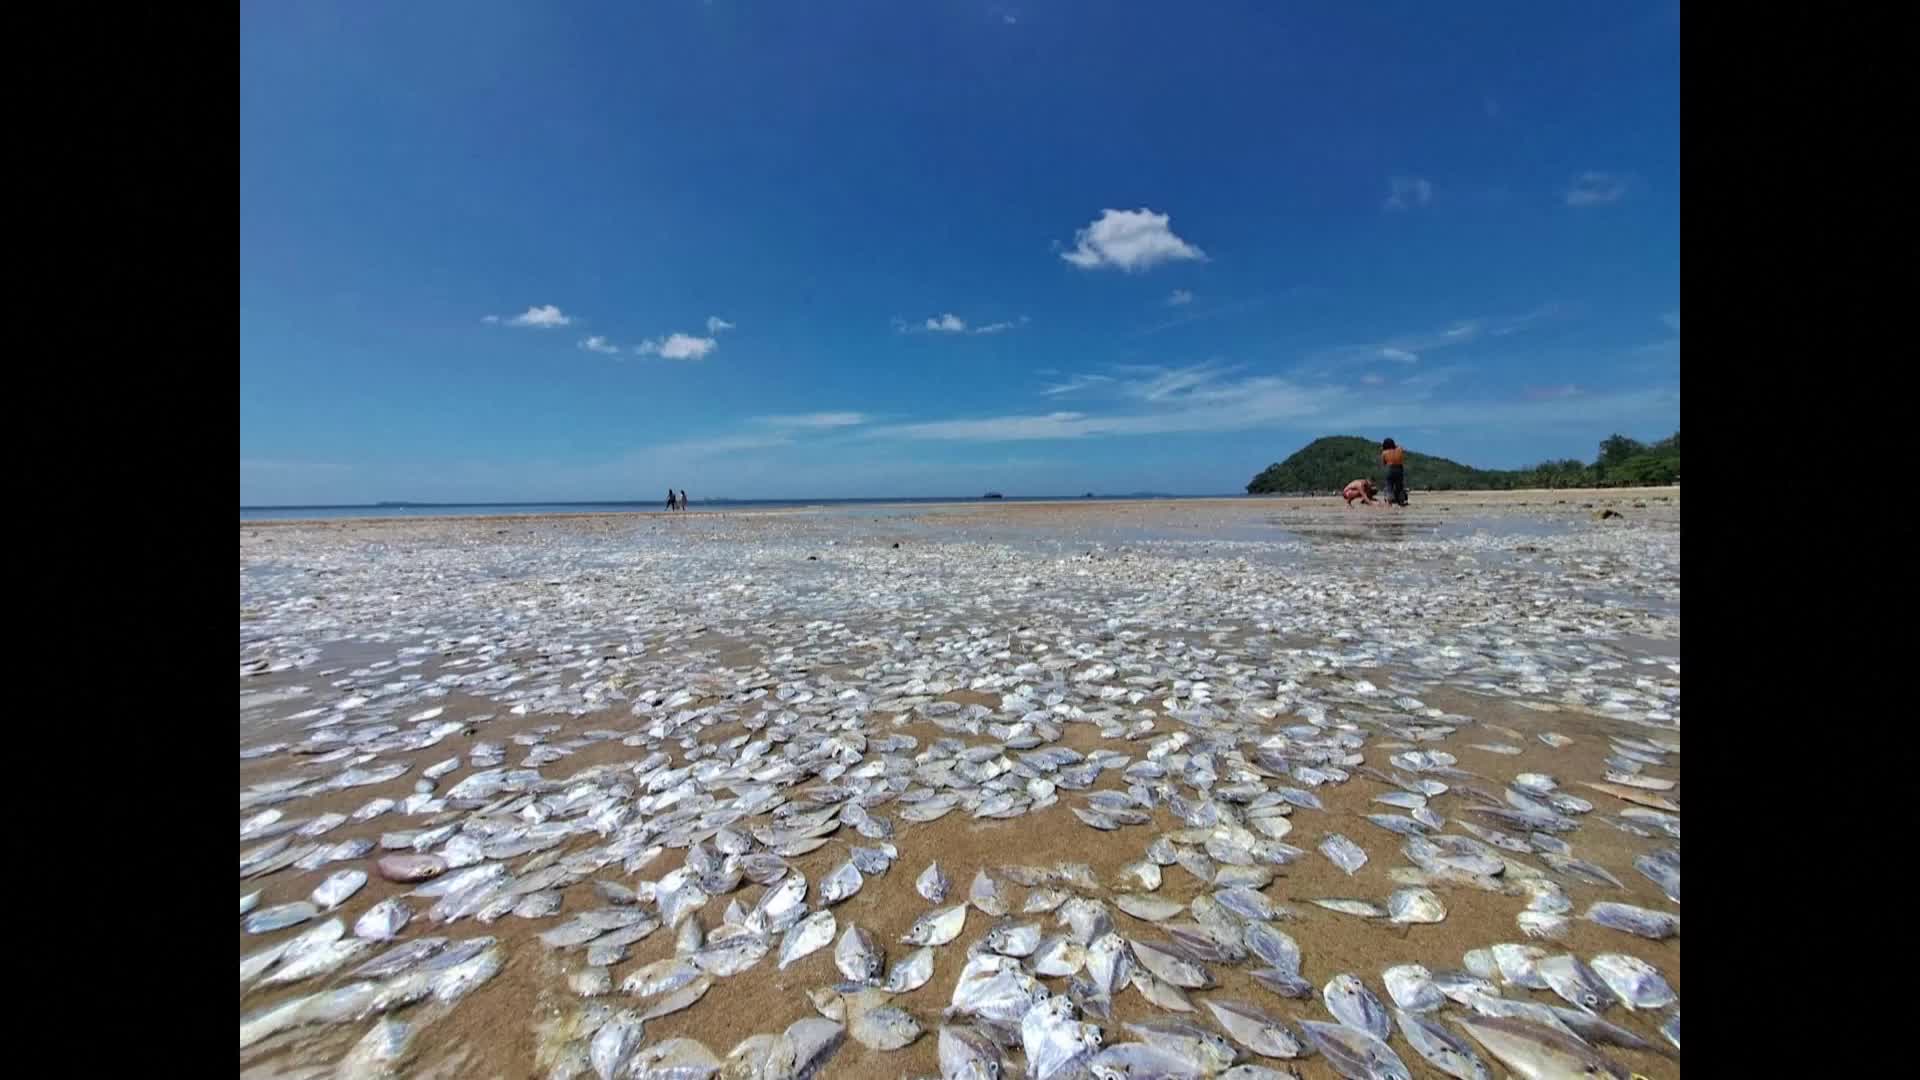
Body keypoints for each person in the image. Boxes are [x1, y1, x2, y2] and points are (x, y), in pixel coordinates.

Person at [1381, 438, 1408, 506]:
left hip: (1390, 468)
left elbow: (1384, 463)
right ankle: (1401, 501)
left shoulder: (1384, 452)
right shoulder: (1399, 450)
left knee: (1389, 486)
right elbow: (1401, 447)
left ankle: (1389, 503)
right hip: (1399, 468)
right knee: (1399, 486)